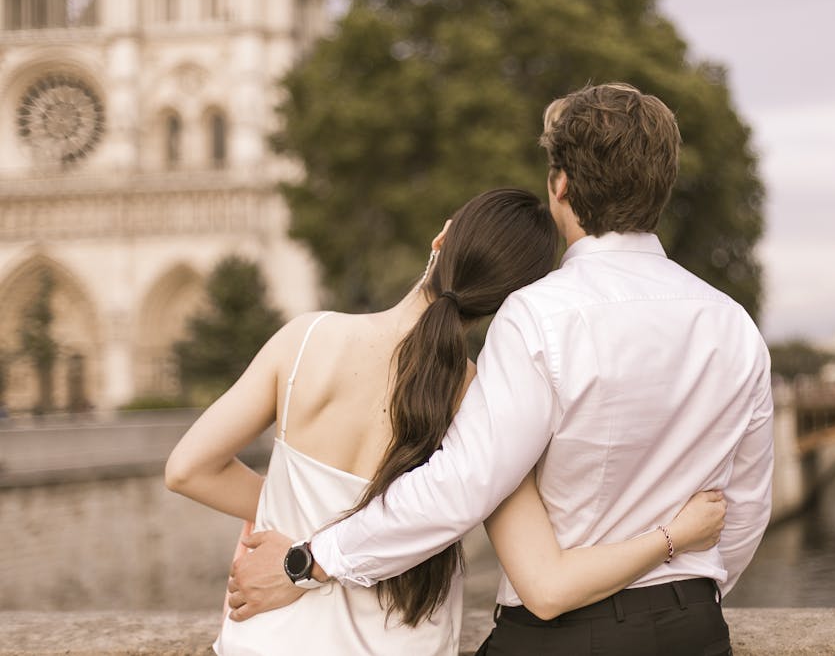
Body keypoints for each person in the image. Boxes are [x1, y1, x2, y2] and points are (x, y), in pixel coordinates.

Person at [230, 83, 774, 656]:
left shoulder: (538, 315)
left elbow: (459, 488)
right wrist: (682, 592)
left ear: (559, 185)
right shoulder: (732, 323)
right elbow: (744, 513)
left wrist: (308, 560)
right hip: (696, 631)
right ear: (662, 188)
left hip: (567, 637)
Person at [165, 187, 729, 655]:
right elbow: (547, 583)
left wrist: (293, 520)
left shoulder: (307, 339)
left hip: (266, 640)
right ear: (512, 301)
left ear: (441, 240)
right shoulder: (482, 399)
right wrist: (675, 536)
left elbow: (188, 469)